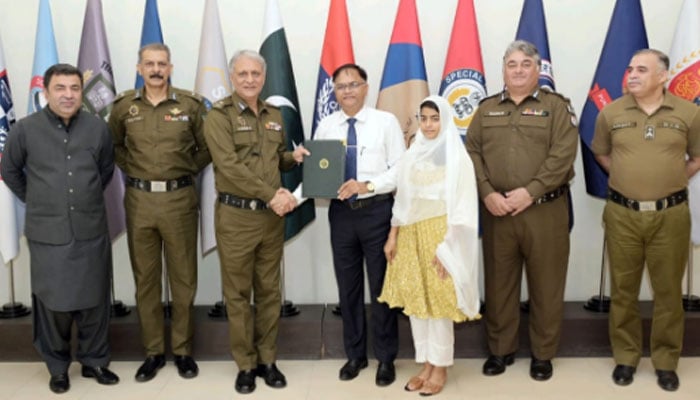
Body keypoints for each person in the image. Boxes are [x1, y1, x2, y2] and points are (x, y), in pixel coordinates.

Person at [1, 63, 119, 394]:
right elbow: (10, 171)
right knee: (53, 305)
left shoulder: (97, 128)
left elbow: (105, 170)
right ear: (46, 92)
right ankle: (57, 367)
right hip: (47, 234)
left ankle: (95, 361)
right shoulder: (25, 129)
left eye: (75, 88)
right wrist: (39, 200)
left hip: (90, 230)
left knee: (95, 301)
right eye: (60, 88)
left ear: (82, 92)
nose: (68, 95)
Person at [466, 40, 578, 381]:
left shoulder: (557, 107)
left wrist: (530, 193)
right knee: (499, 283)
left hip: (543, 211)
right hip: (497, 210)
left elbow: (563, 155)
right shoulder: (486, 109)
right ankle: (500, 350)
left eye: (525, 65)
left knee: (546, 284)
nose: (517, 70)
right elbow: (471, 152)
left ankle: (543, 354)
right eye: (511, 64)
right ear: (503, 69)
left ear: (537, 69)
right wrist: (486, 192)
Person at [591, 48, 700, 392]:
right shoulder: (610, 112)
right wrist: (627, 177)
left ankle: (666, 362)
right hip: (623, 215)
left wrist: (671, 180)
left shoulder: (688, 113)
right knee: (623, 290)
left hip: (671, 216)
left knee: (668, 292)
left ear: (663, 76)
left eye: (641, 69)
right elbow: (601, 153)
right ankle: (626, 357)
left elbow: (697, 156)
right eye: (630, 68)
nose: (632, 74)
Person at [203, 49, 305, 395]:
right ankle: (245, 364)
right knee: (237, 294)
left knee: (269, 291)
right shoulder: (218, 115)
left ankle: (267, 360)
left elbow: (274, 159)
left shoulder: (273, 114)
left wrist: (293, 157)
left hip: (269, 220)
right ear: (233, 78)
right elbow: (229, 167)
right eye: (243, 74)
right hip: (236, 217)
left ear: (263, 78)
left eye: (255, 74)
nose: (249, 79)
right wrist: (272, 194)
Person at [109, 43, 209, 382]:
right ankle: (153, 352)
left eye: (161, 64)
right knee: (146, 281)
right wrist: (136, 172)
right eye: (149, 64)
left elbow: (205, 147)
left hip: (179, 200)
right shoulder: (124, 107)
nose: (155, 69)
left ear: (170, 68)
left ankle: (182, 351)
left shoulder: (190, 105)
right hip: (139, 202)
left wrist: (182, 172)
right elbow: (115, 147)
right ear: (139, 68)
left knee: (183, 280)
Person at [378, 96, 480, 396]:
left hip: (441, 236)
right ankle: (425, 363)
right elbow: (402, 199)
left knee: (439, 303)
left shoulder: (457, 157)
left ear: (445, 120)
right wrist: (393, 235)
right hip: (410, 235)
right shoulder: (413, 153)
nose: (428, 124)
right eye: (423, 118)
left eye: (434, 118)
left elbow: (463, 207)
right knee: (417, 302)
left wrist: (449, 245)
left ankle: (441, 366)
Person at [311, 63, 406, 387]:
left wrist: (366, 185)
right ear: (334, 91)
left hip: (377, 213)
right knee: (347, 288)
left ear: (366, 87)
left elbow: (400, 171)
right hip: (340, 215)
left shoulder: (385, 122)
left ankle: (386, 358)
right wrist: (302, 168)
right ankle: (356, 355)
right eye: (341, 86)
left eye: (354, 84)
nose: (348, 90)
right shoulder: (326, 126)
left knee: (382, 289)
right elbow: (318, 173)